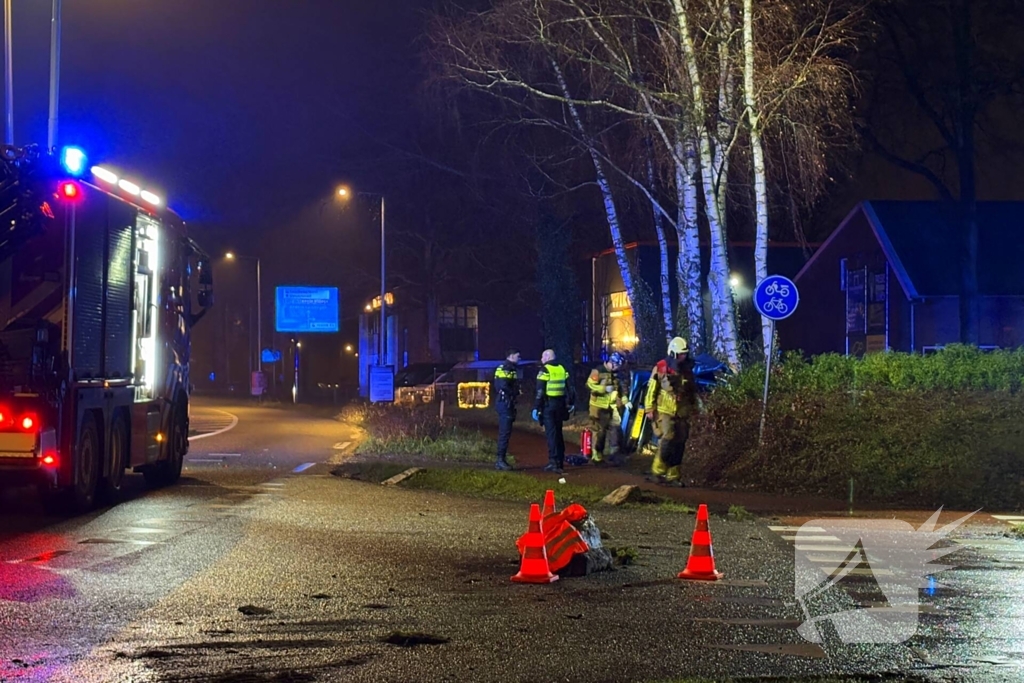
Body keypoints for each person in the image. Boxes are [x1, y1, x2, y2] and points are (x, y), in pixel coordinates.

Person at [644, 337, 698, 486]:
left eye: (685, 354)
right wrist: (649, 408)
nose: (683, 357)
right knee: (668, 439)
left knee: (680, 442)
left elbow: (692, 391)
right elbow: (651, 390)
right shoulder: (661, 368)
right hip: (664, 410)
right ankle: (658, 471)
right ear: (673, 353)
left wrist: (695, 408)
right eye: (681, 354)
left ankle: (673, 476)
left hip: (682, 411)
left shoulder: (687, 369)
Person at [532, 348, 575, 474]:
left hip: (549, 405)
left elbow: (540, 392)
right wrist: (571, 403)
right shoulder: (562, 369)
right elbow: (571, 388)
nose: (541, 359)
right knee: (559, 432)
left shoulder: (544, 370)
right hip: (561, 405)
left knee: (551, 434)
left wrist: (536, 407)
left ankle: (553, 462)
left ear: (547, 357)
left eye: (542, 357)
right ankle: (560, 462)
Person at [586, 352, 625, 465]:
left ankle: (614, 455)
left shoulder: (615, 374)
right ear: (612, 363)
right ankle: (597, 456)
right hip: (598, 407)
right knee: (599, 432)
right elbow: (589, 385)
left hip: (610, 407)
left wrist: (623, 400)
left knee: (615, 429)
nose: (618, 369)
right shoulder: (597, 371)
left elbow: (619, 388)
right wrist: (603, 389)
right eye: (617, 366)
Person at [493, 348, 521, 471]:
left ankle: (501, 459)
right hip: (505, 403)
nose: (519, 358)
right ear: (511, 356)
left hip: (505, 403)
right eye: (517, 356)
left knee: (506, 432)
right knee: (504, 433)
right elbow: (503, 386)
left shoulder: (508, 368)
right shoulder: (506, 368)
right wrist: (516, 392)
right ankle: (500, 460)